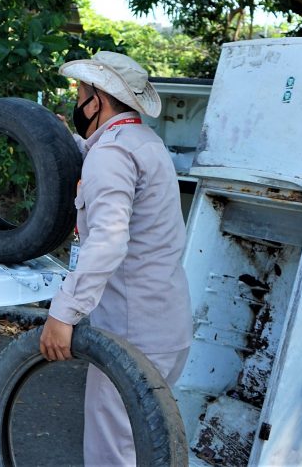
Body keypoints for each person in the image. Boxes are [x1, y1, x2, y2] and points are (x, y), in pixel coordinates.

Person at [38, 51, 192, 466]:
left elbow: (106, 240)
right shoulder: (143, 143)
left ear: (98, 101)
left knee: (113, 452)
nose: (76, 101)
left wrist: (64, 313)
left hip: (133, 328)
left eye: (81, 92)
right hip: (165, 322)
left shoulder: (113, 154)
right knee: (147, 444)